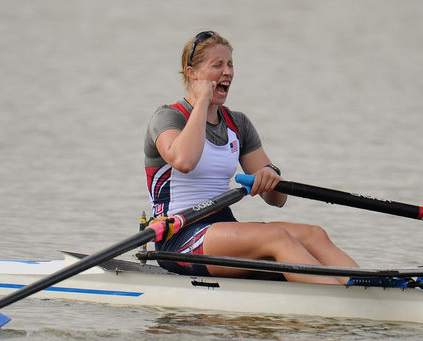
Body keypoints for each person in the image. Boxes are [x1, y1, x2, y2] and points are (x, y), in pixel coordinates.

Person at [144, 31, 358, 284]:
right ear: (192, 73)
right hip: (178, 236)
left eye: (230, 65)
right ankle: (339, 303)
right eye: (218, 65)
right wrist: (202, 101)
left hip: (221, 228)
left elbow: (277, 199)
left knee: (314, 234)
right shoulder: (169, 117)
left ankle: (366, 290)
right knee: (275, 236)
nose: (228, 72)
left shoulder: (238, 123)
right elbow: (184, 161)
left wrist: (270, 177)